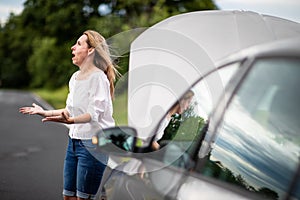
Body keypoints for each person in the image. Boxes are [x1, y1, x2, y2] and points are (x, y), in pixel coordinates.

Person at [19, 30, 119, 200]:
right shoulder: (75, 78)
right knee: (68, 196)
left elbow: (93, 114)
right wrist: (45, 112)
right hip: (74, 143)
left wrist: (71, 120)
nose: (72, 48)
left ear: (90, 50)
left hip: (94, 145)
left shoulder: (98, 78)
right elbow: (69, 110)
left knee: (83, 198)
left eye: (79, 44)